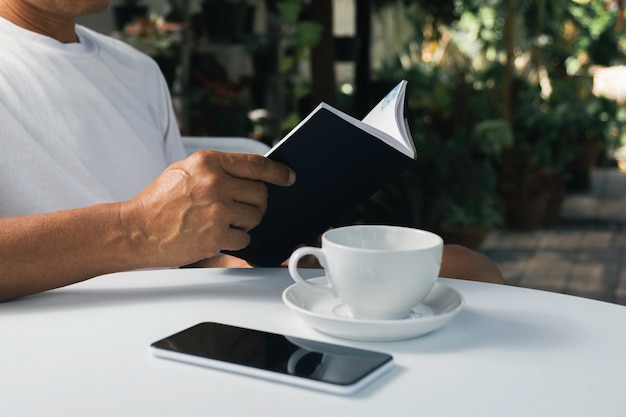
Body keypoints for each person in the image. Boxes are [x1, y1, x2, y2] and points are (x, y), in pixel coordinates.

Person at [0, 0, 502, 303]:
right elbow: (151, 233)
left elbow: (185, 254)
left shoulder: (135, 70)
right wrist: (141, 229)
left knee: (467, 269)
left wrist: (248, 251)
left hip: (184, 304)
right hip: (71, 336)